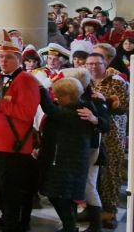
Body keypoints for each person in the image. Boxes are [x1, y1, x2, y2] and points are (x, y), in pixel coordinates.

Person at [0, 30, 39, 232]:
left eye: (8, 57)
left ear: (19, 59)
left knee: (15, 187)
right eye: (1, 56)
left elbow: (26, 113)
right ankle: (7, 216)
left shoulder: (27, 81)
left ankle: (16, 222)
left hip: (16, 142)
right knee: (2, 185)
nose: (3, 60)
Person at [37, 77, 97, 232]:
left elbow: (50, 109)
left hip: (69, 162)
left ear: (68, 96)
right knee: (64, 196)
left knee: (59, 195)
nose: (56, 98)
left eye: (59, 95)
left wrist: (41, 89)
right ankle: (69, 226)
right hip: (68, 160)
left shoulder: (77, 111)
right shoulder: (80, 107)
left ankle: (70, 227)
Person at [61, 67, 109, 232]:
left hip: (91, 150)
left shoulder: (95, 99)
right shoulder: (69, 100)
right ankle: (71, 225)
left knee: (88, 185)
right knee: (72, 186)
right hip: (72, 150)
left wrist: (94, 119)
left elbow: (106, 124)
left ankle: (96, 226)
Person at [85, 53, 129, 229]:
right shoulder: (85, 82)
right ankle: (93, 209)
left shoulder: (116, 82)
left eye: (97, 63)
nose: (93, 67)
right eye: (89, 64)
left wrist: (105, 102)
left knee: (110, 174)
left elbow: (123, 106)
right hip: (91, 134)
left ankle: (110, 212)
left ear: (105, 64)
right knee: (92, 175)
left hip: (112, 134)